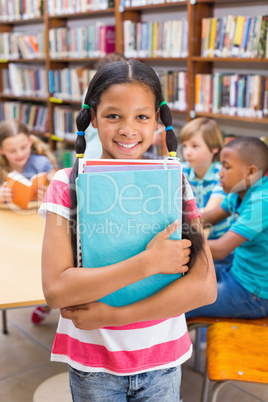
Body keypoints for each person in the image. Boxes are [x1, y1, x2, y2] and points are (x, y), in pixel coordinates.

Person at [39, 59, 216, 401]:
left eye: (142, 117)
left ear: (157, 121)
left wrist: (115, 315)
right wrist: (148, 263)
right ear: (93, 118)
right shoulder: (67, 183)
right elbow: (57, 291)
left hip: (163, 361)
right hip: (94, 364)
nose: (128, 130)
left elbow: (204, 288)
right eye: (113, 116)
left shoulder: (175, 182)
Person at [187, 136, 268, 321]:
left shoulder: (262, 201)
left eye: (227, 167)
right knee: (183, 275)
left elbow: (221, 250)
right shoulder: (239, 192)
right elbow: (206, 219)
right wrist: (174, 223)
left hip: (254, 295)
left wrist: (180, 240)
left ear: (250, 172)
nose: (220, 173)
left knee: (180, 304)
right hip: (236, 272)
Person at [0, 119, 57, 324]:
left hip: (36, 224)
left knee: (46, 257)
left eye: (23, 147)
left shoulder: (41, 164)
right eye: (12, 151)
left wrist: (48, 192)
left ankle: (47, 300)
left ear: (31, 141)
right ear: (1, 151)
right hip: (8, 226)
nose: (20, 154)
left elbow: (57, 196)